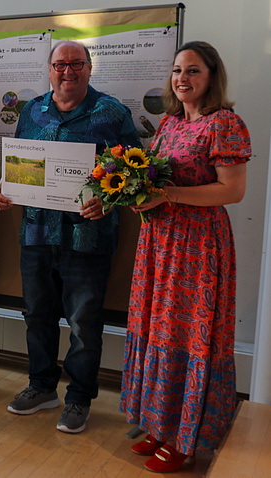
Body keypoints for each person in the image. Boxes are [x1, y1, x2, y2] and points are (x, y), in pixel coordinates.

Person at [0, 41, 140, 432]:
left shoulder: (112, 112)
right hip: (38, 232)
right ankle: (42, 386)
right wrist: (4, 189)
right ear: (49, 68)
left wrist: (109, 201)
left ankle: (78, 398)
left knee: (83, 322)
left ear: (89, 68)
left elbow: (134, 173)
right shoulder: (32, 110)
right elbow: (21, 162)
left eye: (76, 64)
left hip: (87, 236)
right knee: (37, 314)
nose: (68, 71)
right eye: (60, 64)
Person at [120, 41, 250, 473]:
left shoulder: (224, 123)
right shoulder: (170, 123)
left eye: (193, 71)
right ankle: (159, 425)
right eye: (177, 71)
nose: (182, 79)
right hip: (159, 243)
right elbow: (152, 178)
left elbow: (232, 190)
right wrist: (139, 198)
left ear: (212, 76)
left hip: (197, 248)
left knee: (186, 336)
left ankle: (186, 438)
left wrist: (166, 194)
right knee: (157, 328)